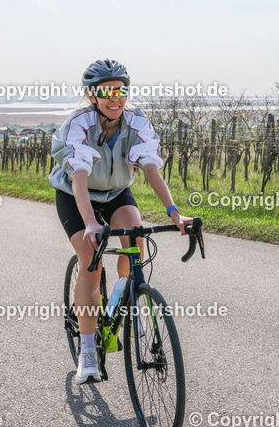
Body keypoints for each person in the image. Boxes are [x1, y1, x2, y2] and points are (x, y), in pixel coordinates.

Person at [50, 59, 194, 385]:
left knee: (137, 236)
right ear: (92, 96)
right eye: (107, 91)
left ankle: (124, 299)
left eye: (121, 90)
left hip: (116, 191)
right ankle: (87, 354)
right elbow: (80, 177)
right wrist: (90, 223)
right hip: (76, 194)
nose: (116, 98)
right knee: (91, 261)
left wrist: (175, 213)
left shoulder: (137, 120)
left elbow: (150, 169)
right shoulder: (78, 125)